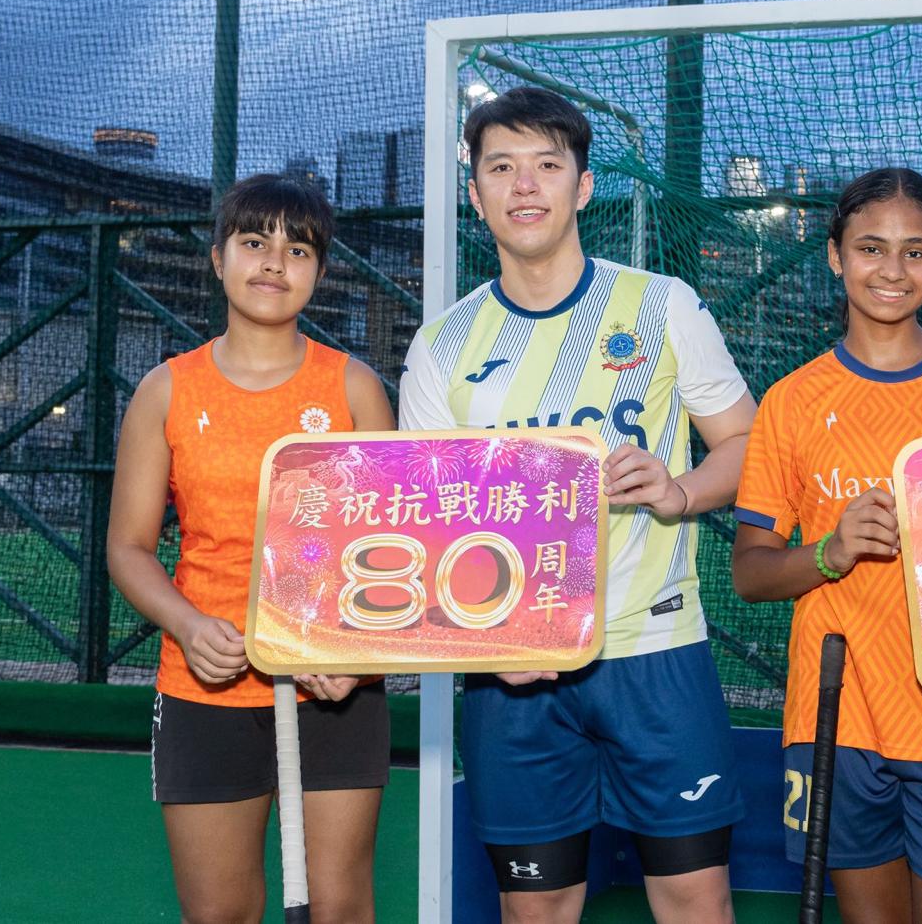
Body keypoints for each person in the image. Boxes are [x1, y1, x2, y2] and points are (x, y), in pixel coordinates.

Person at [398, 86, 756, 924]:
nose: (525, 185)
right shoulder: (441, 345)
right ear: (475, 193)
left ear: (584, 187)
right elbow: (427, 522)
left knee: (695, 899)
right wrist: (486, 645)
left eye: (547, 165)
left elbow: (747, 443)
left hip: (654, 650)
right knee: (539, 905)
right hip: (513, 668)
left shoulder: (661, 304)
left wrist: (681, 492)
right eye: (501, 168)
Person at [732, 168, 922, 924]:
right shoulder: (792, 400)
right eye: (871, 248)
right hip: (839, 715)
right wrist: (830, 551)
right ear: (835, 255)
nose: (893, 270)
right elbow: (750, 572)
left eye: (915, 251)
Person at [108, 174, 394, 924]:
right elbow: (129, 548)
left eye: (298, 249)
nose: (274, 262)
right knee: (220, 912)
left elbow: (393, 547)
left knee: (339, 906)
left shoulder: (355, 388)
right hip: (206, 686)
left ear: (320, 271)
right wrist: (188, 625)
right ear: (218, 258)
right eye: (254, 241)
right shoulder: (166, 390)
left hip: (334, 687)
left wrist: (353, 653)